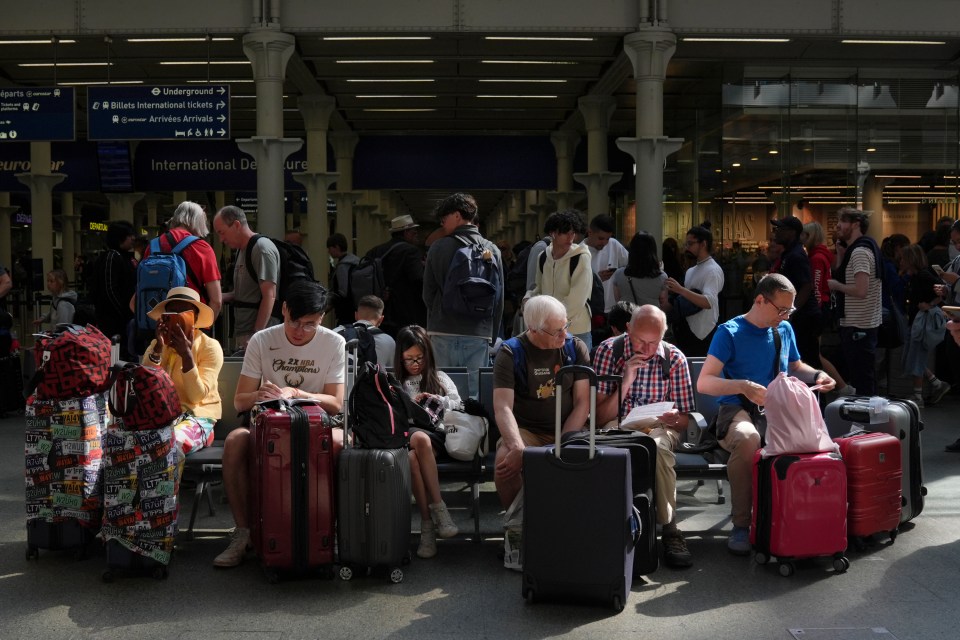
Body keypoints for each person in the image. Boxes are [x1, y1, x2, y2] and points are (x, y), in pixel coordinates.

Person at [697, 273, 835, 555]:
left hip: (777, 408)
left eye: (790, 310)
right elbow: (704, 382)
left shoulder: (783, 329)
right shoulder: (729, 331)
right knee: (748, 438)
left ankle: (800, 518)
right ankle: (741, 524)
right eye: (781, 309)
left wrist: (820, 374)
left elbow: (795, 366)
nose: (786, 316)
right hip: (737, 409)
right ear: (760, 300)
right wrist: (742, 386)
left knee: (816, 439)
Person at [213, 281, 345, 568]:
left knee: (338, 444)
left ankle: (328, 531)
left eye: (310, 324)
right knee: (235, 441)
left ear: (322, 318)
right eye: (294, 322)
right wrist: (259, 394)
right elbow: (239, 402)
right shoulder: (262, 340)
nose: (300, 332)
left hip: (318, 427)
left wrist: (297, 393)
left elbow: (336, 403)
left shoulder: (334, 342)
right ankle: (244, 532)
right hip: (268, 427)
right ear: (283, 309)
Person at [592, 304, 696, 568]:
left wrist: (675, 418)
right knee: (609, 445)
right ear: (628, 329)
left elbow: (685, 420)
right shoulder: (608, 351)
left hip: (658, 426)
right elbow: (599, 417)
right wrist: (626, 380)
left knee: (657, 447)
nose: (647, 350)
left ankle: (669, 528)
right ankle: (603, 528)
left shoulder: (673, 358)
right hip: (617, 423)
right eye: (640, 341)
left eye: (655, 342)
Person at [492, 295, 590, 509]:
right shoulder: (511, 352)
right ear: (533, 329)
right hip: (528, 430)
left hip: (569, 428)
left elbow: (583, 402)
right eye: (557, 331)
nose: (564, 334)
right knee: (504, 463)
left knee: (584, 459)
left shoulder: (575, 348)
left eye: (566, 326)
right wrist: (517, 447)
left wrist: (562, 443)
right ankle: (519, 526)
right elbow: (502, 406)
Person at [423, 193, 504, 398]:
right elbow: (498, 297)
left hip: (443, 330)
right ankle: (473, 429)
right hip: (478, 331)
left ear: (457, 216)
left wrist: (439, 314)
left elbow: (428, 294)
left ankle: (446, 429)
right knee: (474, 392)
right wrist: (491, 333)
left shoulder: (438, 247)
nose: (443, 224)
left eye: (444, 219)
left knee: (443, 391)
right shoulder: (491, 249)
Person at [393, 325, 462, 558]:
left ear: (428, 355)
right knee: (415, 447)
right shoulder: (395, 383)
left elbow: (460, 405)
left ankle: (427, 526)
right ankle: (437, 514)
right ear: (400, 358)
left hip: (438, 435)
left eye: (420, 358)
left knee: (415, 455)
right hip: (410, 435)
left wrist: (437, 399)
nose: (415, 364)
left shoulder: (439, 378)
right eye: (408, 359)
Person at [141, 287, 222, 457]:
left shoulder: (209, 346)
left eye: (184, 312)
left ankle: (168, 484)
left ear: (195, 318)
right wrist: (157, 349)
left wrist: (187, 356)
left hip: (198, 418)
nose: (177, 318)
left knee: (168, 443)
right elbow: (144, 385)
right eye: (172, 313)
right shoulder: (158, 344)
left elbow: (196, 396)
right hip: (162, 417)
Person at [827, 208, 883, 396]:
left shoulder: (859, 252)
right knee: (862, 377)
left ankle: (866, 421)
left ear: (856, 224)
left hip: (859, 325)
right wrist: (841, 256)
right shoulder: (859, 250)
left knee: (863, 380)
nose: (838, 226)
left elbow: (861, 290)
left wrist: (836, 285)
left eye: (843, 221)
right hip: (860, 324)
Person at [213, 205, 280, 349]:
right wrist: (219, 297)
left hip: (260, 336)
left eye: (222, 232)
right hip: (245, 333)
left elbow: (270, 296)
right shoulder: (241, 250)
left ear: (236, 225)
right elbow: (248, 292)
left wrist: (256, 335)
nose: (221, 239)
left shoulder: (261, 249)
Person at [141, 201, 223, 319]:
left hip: (157, 323)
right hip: (189, 323)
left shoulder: (153, 246)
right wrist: (203, 327)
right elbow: (216, 301)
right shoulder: (202, 247)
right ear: (198, 222)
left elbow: (136, 298)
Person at [526, 209, 594, 350]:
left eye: (573, 232)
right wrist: (528, 299)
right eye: (565, 233)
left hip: (576, 329)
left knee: (577, 371)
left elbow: (577, 298)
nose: (571, 237)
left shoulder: (581, 257)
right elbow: (539, 288)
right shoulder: (543, 257)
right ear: (553, 233)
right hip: (548, 330)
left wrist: (554, 324)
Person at [802, 221, 855, 396]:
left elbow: (816, 287)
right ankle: (840, 386)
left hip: (818, 310)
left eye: (804, 235)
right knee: (815, 354)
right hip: (823, 308)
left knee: (816, 355)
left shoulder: (816, 258)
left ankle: (840, 386)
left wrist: (814, 311)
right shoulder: (823, 255)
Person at [898, 244, 951, 407]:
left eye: (903, 259)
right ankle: (935, 383)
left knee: (916, 355)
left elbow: (944, 291)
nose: (900, 262)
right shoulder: (916, 276)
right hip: (916, 320)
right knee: (914, 356)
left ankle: (918, 395)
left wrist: (930, 304)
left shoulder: (923, 276)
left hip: (920, 321)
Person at [662, 225, 724, 357]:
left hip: (704, 332)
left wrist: (681, 290)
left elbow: (709, 302)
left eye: (690, 243)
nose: (686, 247)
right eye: (686, 243)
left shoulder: (713, 270)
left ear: (703, 244)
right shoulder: (691, 270)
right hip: (687, 331)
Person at [770, 216, 821, 367]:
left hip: (805, 317)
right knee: (802, 357)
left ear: (792, 233)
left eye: (780, 229)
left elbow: (806, 286)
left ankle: (818, 389)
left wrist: (790, 311)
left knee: (807, 358)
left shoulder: (796, 255)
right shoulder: (789, 254)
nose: (776, 233)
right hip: (801, 315)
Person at [367, 214, 427, 337]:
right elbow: (418, 279)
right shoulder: (411, 251)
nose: (416, 234)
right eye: (413, 231)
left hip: (379, 310)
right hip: (407, 312)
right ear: (406, 232)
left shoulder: (375, 251)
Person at [91, 220, 138, 357]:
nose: (133, 238)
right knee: (117, 356)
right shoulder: (112, 257)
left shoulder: (124, 257)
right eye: (129, 235)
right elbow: (110, 289)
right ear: (120, 237)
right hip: (114, 323)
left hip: (122, 319)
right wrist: (124, 311)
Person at [334, 294, 396, 368]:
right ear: (381, 319)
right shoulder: (388, 341)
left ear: (356, 315)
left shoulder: (335, 333)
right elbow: (392, 373)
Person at [587, 214, 629, 313]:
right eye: (601, 238)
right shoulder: (580, 252)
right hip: (590, 310)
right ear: (590, 233)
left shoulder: (614, 244)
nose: (605, 243)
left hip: (613, 308)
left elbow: (630, 264)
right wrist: (596, 279)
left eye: (608, 238)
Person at [613, 231, 667, 307]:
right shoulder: (662, 277)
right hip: (651, 317)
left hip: (627, 317)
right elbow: (663, 301)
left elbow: (617, 299)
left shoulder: (619, 274)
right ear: (653, 251)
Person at [326, 232, 360, 326]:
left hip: (346, 311)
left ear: (336, 247)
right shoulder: (356, 261)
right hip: (357, 307)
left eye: (329, 248)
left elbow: (342, 292)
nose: (329, 251)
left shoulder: (343, 266)